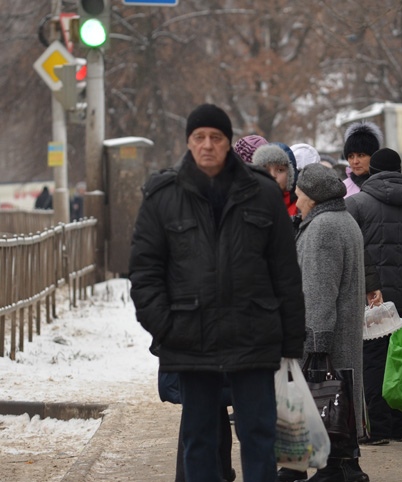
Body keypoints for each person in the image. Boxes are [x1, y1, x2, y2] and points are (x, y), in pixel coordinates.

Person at [129, 103, 306, 482]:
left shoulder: (262, 194)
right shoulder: (163, 196)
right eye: (199, 137)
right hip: (192, 338)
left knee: (259, 437)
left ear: (228, 143)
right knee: (200, 439)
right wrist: (167, 327)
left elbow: (285, 273)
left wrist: (291, 342)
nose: (207, 145)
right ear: (189, 143)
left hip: (253, 336)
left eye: (216, 137)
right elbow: (145, 272)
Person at [293, 163, 369, 482]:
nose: (295, 201)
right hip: (346, 329)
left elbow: (319, 289)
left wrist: (316, 342)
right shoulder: (344, 220)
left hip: (328, 333)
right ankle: (345, 463)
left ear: (311, 196)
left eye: (298, 194)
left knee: (329, 396)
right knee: (342, 396)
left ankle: (336, 465)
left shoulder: (323, 227)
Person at [345, 147, 402, 445]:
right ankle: (401, 425)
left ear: (372, 170)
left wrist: (366, 287)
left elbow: (353, 249)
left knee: (374, 361)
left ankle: (379, 427)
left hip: (372, 299)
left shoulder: (356, 205)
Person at [252, 144, 298, 215]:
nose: (273, 175)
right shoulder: (246, 207)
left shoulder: (301, 209)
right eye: (265, 170)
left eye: (280, 170)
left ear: (290, 175)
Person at [342, 122, 383, 197]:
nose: (355, 161)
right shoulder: (342, 189)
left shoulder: (388, 186)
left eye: (361, 155)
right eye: (351, 156)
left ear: (374, 156)